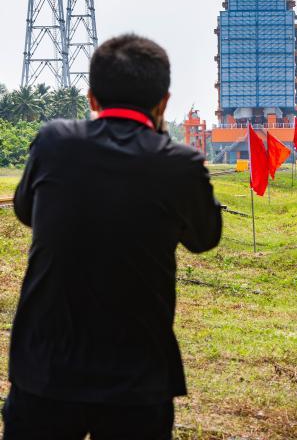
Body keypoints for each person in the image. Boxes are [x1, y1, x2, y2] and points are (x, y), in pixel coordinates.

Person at [2, 34, 222, 440]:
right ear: (163, 103)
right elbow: (204, 238)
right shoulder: (180, 165)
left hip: (46, 367)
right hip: (137, 373)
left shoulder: (53, 143)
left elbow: (24, 210)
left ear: (91, 98)